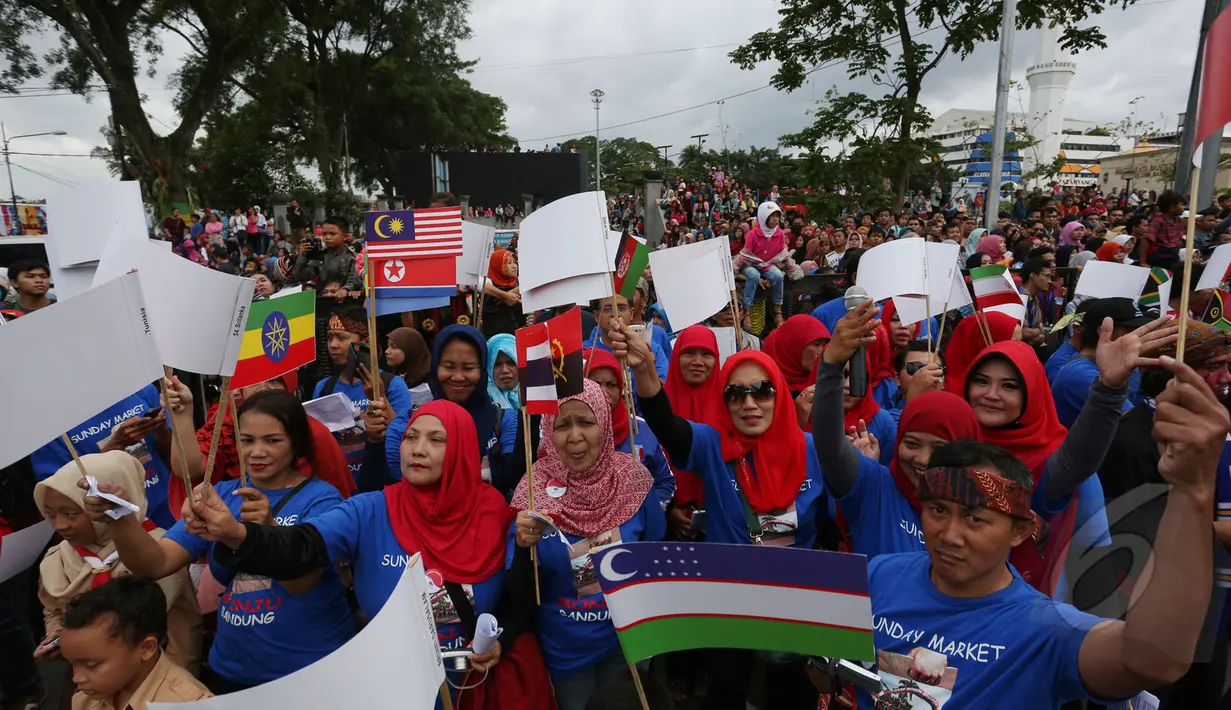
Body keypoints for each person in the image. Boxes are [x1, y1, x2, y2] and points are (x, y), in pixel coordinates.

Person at [861, 384, 1225, 710]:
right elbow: (817, 658)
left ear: (1020, 531)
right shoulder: (879, 573)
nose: (950, 534)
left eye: (975, 518)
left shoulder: (1045, 631)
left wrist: (1192, 490)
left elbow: (1155, 659)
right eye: (939, 510)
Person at [183, 401, 541, 707]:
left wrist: (501, 641)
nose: (417, 449)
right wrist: (238, 534)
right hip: (388, 691)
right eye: (411, 437)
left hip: (470, 691)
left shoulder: (496, 514)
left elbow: (520, 598)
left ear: (462, 448)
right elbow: (301, 546)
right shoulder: (370, 510)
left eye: (436, 440)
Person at [612, 326, 834, 708]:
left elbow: (831, 529)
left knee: (791, 695)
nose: (750, 403)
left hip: (794, 602)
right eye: (736, 393)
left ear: (779, 395)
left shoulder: (814, 450)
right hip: (729, 600)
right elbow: (667, 425)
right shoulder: (713, 445)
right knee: (727, 693)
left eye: (762, 391)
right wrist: (645, 369)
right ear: (725, 401)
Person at [85, 391, 356, 693]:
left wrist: (264, 529)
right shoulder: (222, 495)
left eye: (272, 440)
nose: (257, 452)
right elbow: (155, 563)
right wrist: (120, 516)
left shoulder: (323, 499)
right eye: (247, 440)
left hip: (310, 667)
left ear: (296, 444)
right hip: (233, 668)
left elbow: (301, 583)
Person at [511, 380, 664, 709]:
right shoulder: (532, 495)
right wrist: (524, 546)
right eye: (563, 425)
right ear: (549, 431)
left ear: (605, 425)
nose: (575, 436)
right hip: (567, 655)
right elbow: (520, 590)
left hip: (629, 641)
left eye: (586, 422)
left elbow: (655, 552)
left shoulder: (634, 482)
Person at [962, 336, 1146, 592]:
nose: (991, 395)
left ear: (1032, 393)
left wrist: (1109, 389)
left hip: (1019, 610)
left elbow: (1078, 461)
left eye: (1009, 386)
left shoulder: (1045, 458)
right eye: (981, 381)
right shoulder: (952, 440)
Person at [814, 310, 980, 557]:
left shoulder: (983, 509)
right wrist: (832, 365)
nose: (922, 459)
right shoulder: (876, 486)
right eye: (912, 443)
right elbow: (830, 446)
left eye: (939, 448)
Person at [35, 452, 201, 673]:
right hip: (89, 675)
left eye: (70, 513)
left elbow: (182, 631)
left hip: (151, 676)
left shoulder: (159, 552)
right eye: (50, 514)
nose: (60, 525)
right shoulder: (59, 557)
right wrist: (58, 635)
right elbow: (53, 608)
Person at [163, 371, 355, 517]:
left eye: (275, 380)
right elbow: (191, 470)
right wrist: (182, 415)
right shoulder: (227, 423)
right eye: (247, 440)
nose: (264, 388)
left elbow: (337, 509)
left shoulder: (314, 432)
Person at [384, 325, 518, 496]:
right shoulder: (407, 424)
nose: (458, 377)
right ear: (435, 367)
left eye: (469, 368)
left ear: (483, 369)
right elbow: (394, 486)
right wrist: (374, 442)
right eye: (449, 366)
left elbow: (515, 479)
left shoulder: (505, 423)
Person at [30, 386, 176, 528]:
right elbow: (61, 497)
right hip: (114, 528)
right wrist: (115, 447)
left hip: (168, 511)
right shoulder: (49, 426)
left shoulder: (140, 388)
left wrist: (161, 430)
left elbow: (173, 459)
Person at [59, 577, 212, 710]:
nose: (77, 678)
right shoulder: (84, 699)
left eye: (92, 665)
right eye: (73, 664)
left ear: (146, 648)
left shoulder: (190, 704)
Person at [313, 307, 412, 483]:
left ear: (365, 342)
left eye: (342, 338)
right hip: (338, 488)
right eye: (330, 337)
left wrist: (380, 398)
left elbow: (404, 438)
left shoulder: (392, 385)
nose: (333, 345)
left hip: (381, 484)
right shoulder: (323, 388)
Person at [1050, 298, 1171, 427]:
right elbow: (1134, 424)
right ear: (1104, 333)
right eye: (1131, 330)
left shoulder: (1122, 363)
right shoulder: (1080, 374)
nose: (1139, 336)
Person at [585, 348, 675, 512]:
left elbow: (665, 483)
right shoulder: (568, 432)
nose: (604, 391)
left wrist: (646, 516)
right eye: (596, 383)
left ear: (621, 389)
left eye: (612, 385)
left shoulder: (642, 429)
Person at [661, 325, 723, 538]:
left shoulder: (733, 406)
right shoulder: (657, 408)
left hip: (722, 524)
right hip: (668, 529)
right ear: (676, 356)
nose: (698, 361)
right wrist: (669, 511)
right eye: (689, 353)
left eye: (707, 354)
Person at [942, 312, 1021, 396]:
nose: (1020, 349)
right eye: (1012, 343)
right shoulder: (947, 394)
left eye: (1021, 342)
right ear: (983, 342)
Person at [740, 201, 789, 327]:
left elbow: (781, 254)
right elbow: (746, 255)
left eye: (777, 216)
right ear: (763, 217)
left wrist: (774, 271)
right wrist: (761, 277)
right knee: (754, 276)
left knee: (778, 276)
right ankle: (746, 311)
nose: (775, 220)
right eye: (772, 216)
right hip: (750, 264)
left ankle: (777, 309)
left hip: (767, 265)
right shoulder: (752, 234)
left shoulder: (779, 234)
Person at [761, 314, 831, 398]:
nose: (821, 351)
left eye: (824, 345)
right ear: (793, 346)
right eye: (816, 344)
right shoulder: (762, 386)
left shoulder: (830, 382)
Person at [292, 216, 364, 296]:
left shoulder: (353, 257)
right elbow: (300, 276)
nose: (327, 237)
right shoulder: (320, 255)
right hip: (323, 301)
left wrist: (346, 289)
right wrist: (303, 255)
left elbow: (355, 279)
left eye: (332, 234)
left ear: (345, 236)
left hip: (347, 302)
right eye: (324, 234)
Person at [384, 327, 433, 411]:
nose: (387, 351)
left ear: (410, 349)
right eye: (388, 346)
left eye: (394, 346)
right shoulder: (390, 380)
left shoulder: (432, 379)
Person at [480, 249, 523, 338]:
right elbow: (507, 300)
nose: (514, 266)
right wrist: (524, 286)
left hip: (521, 335)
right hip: (498, 339)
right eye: (509, 263)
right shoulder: (489, 285)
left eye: (515, 262)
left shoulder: (519, 282)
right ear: (497, 265)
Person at [486, 333, 521, 410]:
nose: (505, 370)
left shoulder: (537, 398)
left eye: (511, 363)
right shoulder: (480, 405)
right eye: (497, 364)